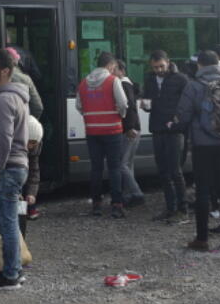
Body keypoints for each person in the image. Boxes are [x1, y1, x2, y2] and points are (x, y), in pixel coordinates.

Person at [174, 49, 220, 251]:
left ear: (200, 65)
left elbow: (184, 115)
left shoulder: (193, 86)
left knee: (203, 190)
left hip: (202, 145)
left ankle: (202, 239)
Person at [0, 48, 30, 290]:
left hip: (8, 169)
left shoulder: (2, 99)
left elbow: (3, 141)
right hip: (16, 166)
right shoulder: (16, 97)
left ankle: (10, 275)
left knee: (7, 222)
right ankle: (14, 271)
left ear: (5, 71)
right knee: (5, 220)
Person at [76, 51, 129, 218]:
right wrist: (119, 114)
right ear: (111, 65)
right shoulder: (113, 81)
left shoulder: (84, 83)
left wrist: (91, 115)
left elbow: (79, 106)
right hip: (112, 130)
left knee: (96, 169)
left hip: (92, 131)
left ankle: (96, 205)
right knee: (114, 168)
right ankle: (116, 205)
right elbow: (123, 103)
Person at [142, 50, 190, 222]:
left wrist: (178, 121)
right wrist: (145, 105)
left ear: (168, 62)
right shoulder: (149, 79)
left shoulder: (181, 79)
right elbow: (147, 99)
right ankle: (170, 207)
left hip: (174, 130)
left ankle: (183, 209)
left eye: (161, 66)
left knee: (175, 170)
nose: (159, 70)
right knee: (163, 171)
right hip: (157, 128)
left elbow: (187, 104)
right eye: (155, 67)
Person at [116, 60, 145, 208]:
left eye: (114, 69)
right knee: (128, 164)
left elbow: (130, 108)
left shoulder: (123, 85)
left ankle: (137, 193)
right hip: (135, 128)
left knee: (121, 164)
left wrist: (130, 127)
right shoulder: (128, 84)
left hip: (130, 130)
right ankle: (128, 196)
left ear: (121, 70)